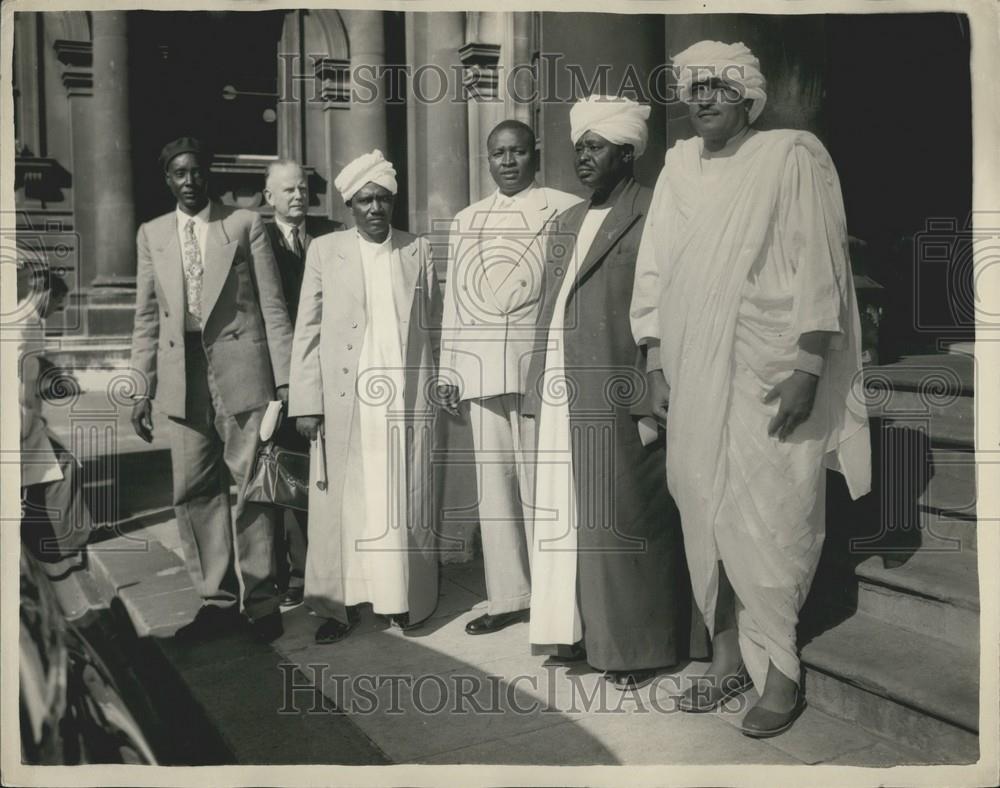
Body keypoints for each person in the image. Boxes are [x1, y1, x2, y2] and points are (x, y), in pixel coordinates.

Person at [631, 40, 871, 736]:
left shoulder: (790, 155)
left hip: (771, 368)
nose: (701, 98)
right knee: (703, 505)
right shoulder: (677, 167)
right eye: (692, 88)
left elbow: (819, 263)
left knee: (773, 515)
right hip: (692, 366)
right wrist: (653, 360)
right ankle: (727, 655)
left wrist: (808, 369)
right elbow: (657, 270)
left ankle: (783, 670)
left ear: (746, 95)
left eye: (716, 86)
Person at [523, 96, 702, 692]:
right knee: (570, 520)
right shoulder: (567, 221)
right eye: (579, 147)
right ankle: (580, 633)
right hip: (561, 389)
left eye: (596, 147)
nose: (583, 157)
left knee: (627, 519)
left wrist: (650, 389)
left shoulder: (655, 211)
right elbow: (547, 311)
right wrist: (532, 391)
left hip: (619, 386)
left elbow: (668, 308)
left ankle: (637, 647)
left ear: (627, 152)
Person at [129, 136, 294, 642]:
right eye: (179, 173)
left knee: (252, 487)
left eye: (197, 171)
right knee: (194, 490)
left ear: (209, 174)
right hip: (183, 380)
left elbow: (272, 306)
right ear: (168, 180)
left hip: (243, 373)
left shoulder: (242, 224)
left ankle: (263, 602)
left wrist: (285, 381)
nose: (189, 181)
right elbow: (145, 320)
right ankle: (217, 602)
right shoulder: (152, 234)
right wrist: (141, 386)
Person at [288, 150, 441, 645]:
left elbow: (435, 325)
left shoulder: (418, 249)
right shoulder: (324, 250)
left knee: (398, 496)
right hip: (342, 400)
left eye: (384, 199)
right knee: (345, 505)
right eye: (366, 200)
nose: (376, 208)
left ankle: (400, 599)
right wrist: (307, 404)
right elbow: (306, 332)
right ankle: (339, 607)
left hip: (404, 398)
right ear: (351, 205)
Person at [439, 120, 582, 636]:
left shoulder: (565, 207)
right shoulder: (467, 219)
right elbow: (455, 299)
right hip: (479, 366)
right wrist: (448, 368)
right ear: (487, 158)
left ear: (533, 154)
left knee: (544, 483)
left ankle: (554, 591)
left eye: (517, 152)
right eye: (497, 153)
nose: (507, 162)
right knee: (494, 486)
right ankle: (508, 595)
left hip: (537, 366)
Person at [262, 159, 341, 608]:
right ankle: (295, 574)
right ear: (268, 196)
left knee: (330, 473)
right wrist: (281, 377)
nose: (298, 196)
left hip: (331, 369)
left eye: (303, 189)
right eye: (288, 190)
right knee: (287, 475)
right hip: (282, 377)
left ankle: (333, 568)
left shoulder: (331, 233)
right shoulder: (257, 239)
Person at [18, 267, 102, 620]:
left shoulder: (25, 320)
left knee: (57, 478)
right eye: (59, 302)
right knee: (59, 479)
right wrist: (25, 428)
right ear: (46, 294)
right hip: (20, 427)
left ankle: (67, 579)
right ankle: (66, 576)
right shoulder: (23, 325)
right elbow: (20, 383)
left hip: (28, 425)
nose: (59, 309)